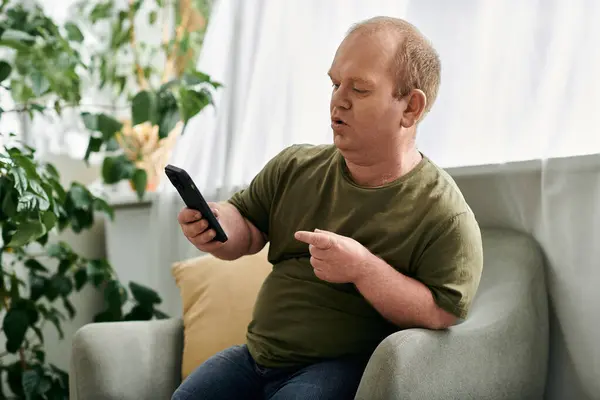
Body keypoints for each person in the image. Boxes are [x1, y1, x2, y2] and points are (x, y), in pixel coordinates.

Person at [172, 16, 483, 400]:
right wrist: (218, 224)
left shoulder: (444, 214)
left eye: (360, 89)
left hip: (337, 367)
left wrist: (363, 270)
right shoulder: (295, 166)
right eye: (336, 83)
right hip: (255, 357)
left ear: (410, 108)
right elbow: (247, 229)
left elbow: (443, 312)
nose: (339, 99)